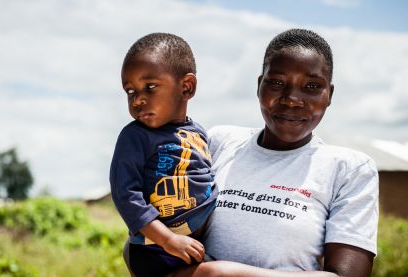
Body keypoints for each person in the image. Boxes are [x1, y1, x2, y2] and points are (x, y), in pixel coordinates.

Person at [171, 29, 378, 277]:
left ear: (329, 95)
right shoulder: (218, 143)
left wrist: (223, 274)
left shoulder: (349, 169)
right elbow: (160, 240)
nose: (291, 99)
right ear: (260, 86)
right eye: (277, 83)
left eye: (312, 86)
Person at [109, 33, 218, 277]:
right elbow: (126, 196)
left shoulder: (198, 133)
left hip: (194, 244)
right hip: (155, 250)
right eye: (130, 90)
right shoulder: (135, 137)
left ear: (186, 87)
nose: (137, 99)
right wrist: (167, 239)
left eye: (150, 87)